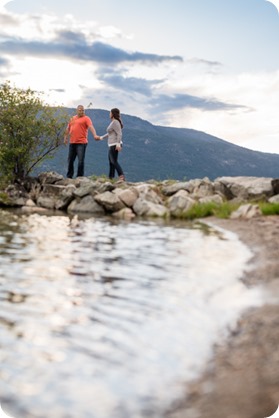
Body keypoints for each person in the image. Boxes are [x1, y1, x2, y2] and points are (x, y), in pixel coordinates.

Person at [64, 105, 100, 178]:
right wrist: (65, 137)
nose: (82, 111)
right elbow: (68, 128)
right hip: (72, 142)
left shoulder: (86, 118)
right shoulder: (72, 118)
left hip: (81, 143)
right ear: (77, 110)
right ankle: (69, 176)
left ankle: (79, 177)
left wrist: (95, 135)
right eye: (80, 110)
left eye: (83, 110)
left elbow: (91, 127)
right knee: (70, 160)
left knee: (80, 161)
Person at [100, 108, 125, 181]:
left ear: (113, 114)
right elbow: (110, 133)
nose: (109, 114)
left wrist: (118, 143)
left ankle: (121, 175)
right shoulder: (113, 122)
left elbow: (119, 133)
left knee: (113, 161)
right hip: (112, 144)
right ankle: (111, 177)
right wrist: (102, 137)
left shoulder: (115, 122)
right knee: (111, 162)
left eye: (110, 113)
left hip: (114, 144)